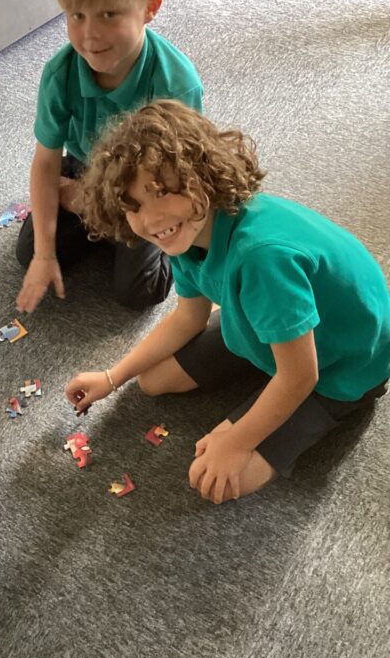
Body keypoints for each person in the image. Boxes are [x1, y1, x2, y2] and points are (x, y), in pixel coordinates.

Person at [65, 100, 389, 503]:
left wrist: (235, 442)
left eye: (164, 192)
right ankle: (266, 341)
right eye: (135, 207)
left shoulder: (261, 258)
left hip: (342, 365)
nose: (152, 220)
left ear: (203, 176)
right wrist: (113, 377)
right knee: (151, 380)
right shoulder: (184, 234)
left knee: (213, 480)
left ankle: (299, 378)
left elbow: (300, 376)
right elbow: (188, 318)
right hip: (267, 320)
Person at [16, 0, 204, 314]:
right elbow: (46, 161)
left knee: (138, 292)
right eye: (76, 15)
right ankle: (100, 216)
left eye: (108, 15)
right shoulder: (60, 74)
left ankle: (100, 215)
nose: (89, 35)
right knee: (29, 252)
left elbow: (182, 178)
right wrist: (45, 254)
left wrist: (94, 201)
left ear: (149, 8)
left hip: (150, 184)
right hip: (86, 165)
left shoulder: (177, 84)